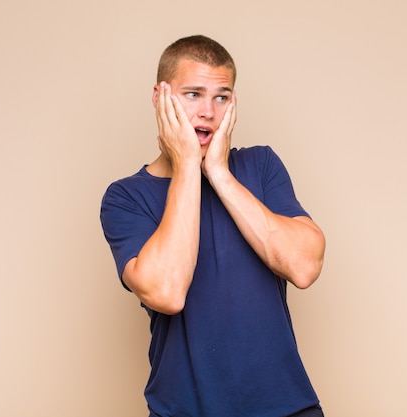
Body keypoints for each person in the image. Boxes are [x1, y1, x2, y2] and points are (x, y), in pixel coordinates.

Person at [100, 35, 326, 417]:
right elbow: (168, 293)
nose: (208, 111)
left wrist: (218, 172)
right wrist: (188, 165)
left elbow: (304, 267)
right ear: (160, 97)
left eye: (222, 97)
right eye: (193, 95)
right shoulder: (125, 198)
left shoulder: (260, 166)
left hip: (287, 407)